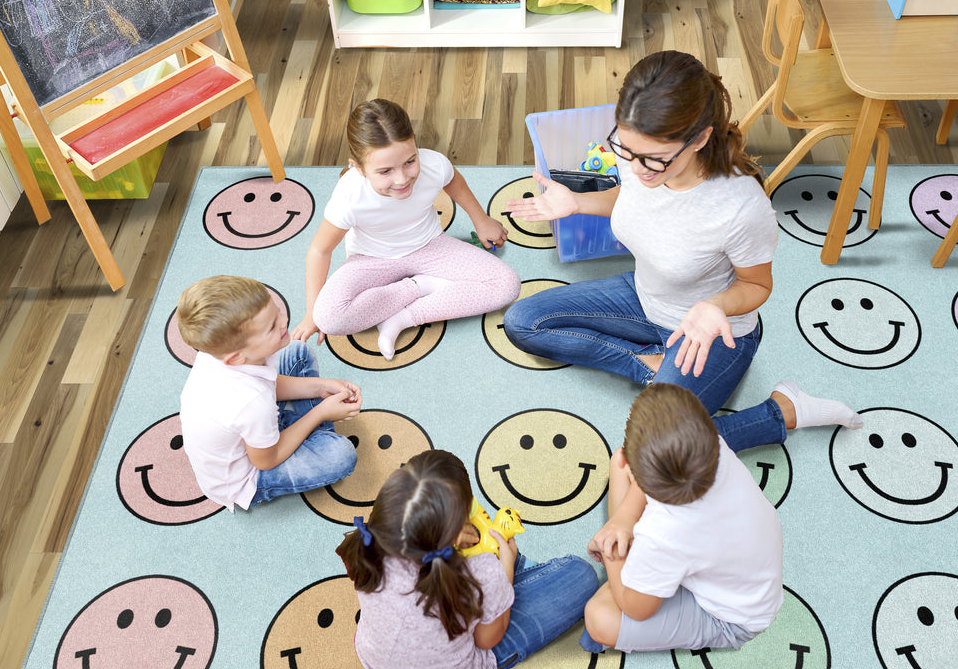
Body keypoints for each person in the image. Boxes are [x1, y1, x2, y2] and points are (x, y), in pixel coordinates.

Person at [503, 50, 862, 452]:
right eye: (626, 149)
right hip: (644, 297)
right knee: (523, 322)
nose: (637, 168)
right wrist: (578, 203)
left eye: (654, 160)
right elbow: (634, 198)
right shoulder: (639, 151)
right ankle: (650, 364)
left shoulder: (740, 206)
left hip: (711, 332)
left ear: (701, 138)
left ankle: (783, 410)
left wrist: (716, 307)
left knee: (658, 449)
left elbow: (757, 286)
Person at [337, 449, 599, 669]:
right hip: (460, 662)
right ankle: (516, 573)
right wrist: (504, 569)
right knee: (581, 574)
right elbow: (487, 640)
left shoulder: (369, 546)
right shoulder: (484, 572)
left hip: (374, 659)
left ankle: (514, 579)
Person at [291, 98, 522, 360]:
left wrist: (481, 220)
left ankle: (403, 317)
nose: (402, 179)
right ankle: (418, 287)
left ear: (416, 146)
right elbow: (320, 250)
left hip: (430, 246)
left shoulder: (433, 164)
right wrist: (311, 312)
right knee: (329, 318)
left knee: (507, 285)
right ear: (358, 168)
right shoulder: (349, 196)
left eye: (410, 162)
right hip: (371, 259)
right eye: (385, 171)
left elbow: (454, 181)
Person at [580, 383, 783, 654]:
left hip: (733, 617)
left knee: (599, 617)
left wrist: (610, 552)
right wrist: (625, 519)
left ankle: (632, 562)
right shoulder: (711, 446)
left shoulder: (664, 534)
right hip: (743, 573)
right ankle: (643, 568)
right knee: (622, 462)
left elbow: (636, 609)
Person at [177, 275, 361, 512]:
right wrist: (321, 413)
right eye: (272, 326)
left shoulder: (220, 356)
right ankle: (311, 431)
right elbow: (267, 460)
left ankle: (301, 430)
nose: (284, 322)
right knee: (340, 456)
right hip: (250, 475)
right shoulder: (250, 402)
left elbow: (268, 384)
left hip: (254, 426)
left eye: (277, 311)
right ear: (236, 357)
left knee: (297, 351)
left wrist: (320, 386)